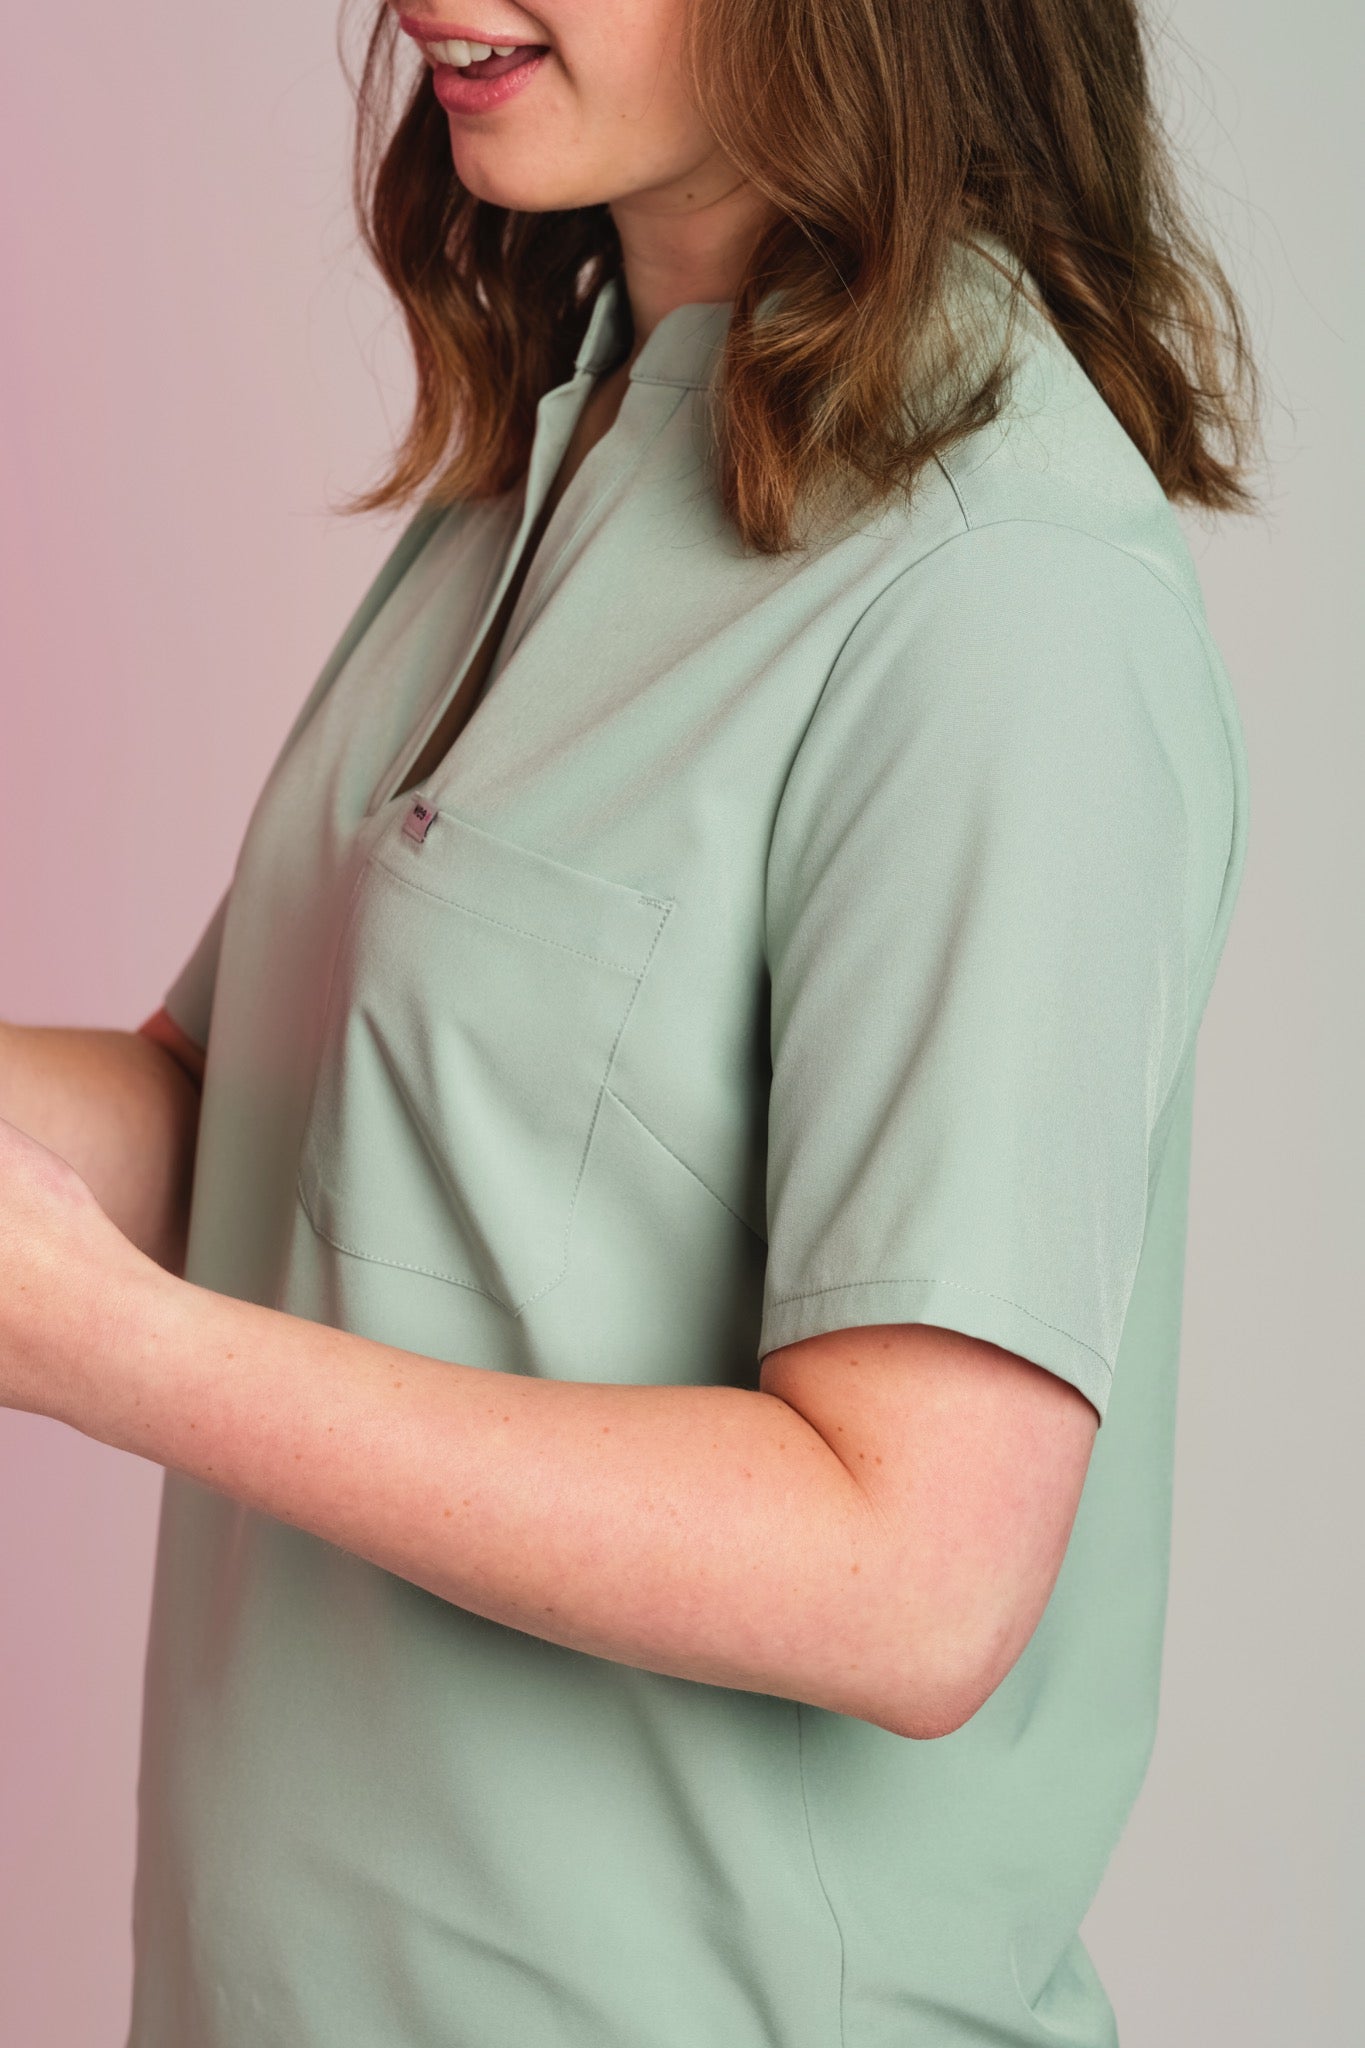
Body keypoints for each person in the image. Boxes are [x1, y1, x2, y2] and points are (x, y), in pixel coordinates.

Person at [0, 0, 1259, 2041]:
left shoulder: (1004, 590)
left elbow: (911, 1570)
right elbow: (261, 1130)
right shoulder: (570, 432)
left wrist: (119, 1356)